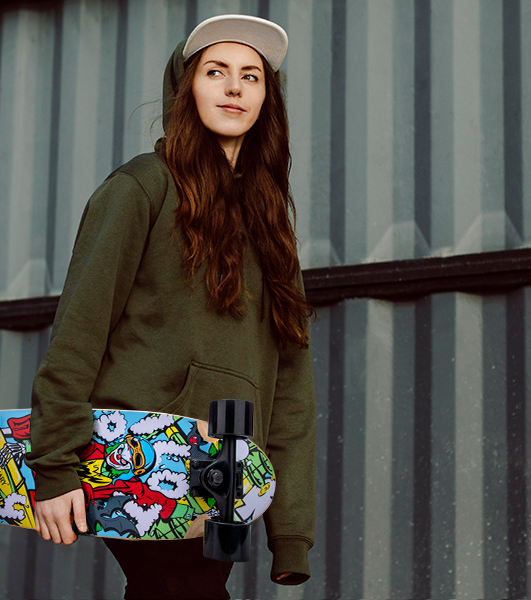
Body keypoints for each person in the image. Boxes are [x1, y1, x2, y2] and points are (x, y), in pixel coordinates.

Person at [25, 14, 316, 600]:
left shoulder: (269, 225)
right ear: (185, 89)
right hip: (138, 457)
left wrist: (290, 531)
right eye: (215, 71)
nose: (234, 87)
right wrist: (54, 465)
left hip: (226, 472)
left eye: (251, 76)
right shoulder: (142, 188)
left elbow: (290, 383)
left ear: (267, 98)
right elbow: (79, 330)